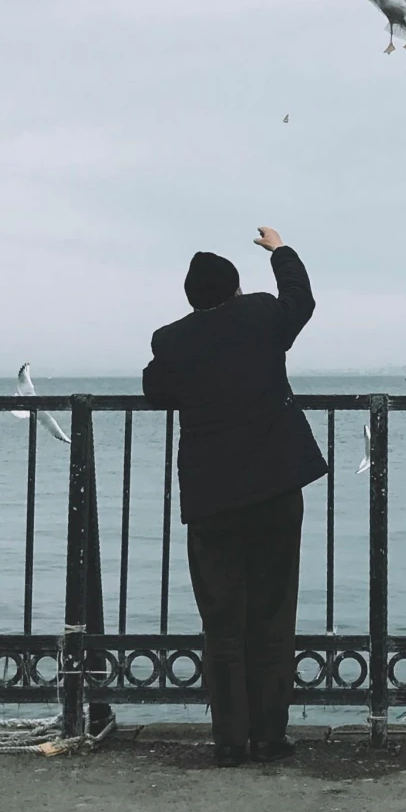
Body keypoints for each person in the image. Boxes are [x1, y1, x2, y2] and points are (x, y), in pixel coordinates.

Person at [141, 226, 328, 766]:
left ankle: (228, 741)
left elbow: (156, 390)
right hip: (273, 488)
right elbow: (301, 298)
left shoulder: (171, 339)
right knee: (271, 615)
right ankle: (269, 737)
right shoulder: (264, 316)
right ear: (236, 288)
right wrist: (281, 249)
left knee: (222, 621)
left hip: (213, 499)